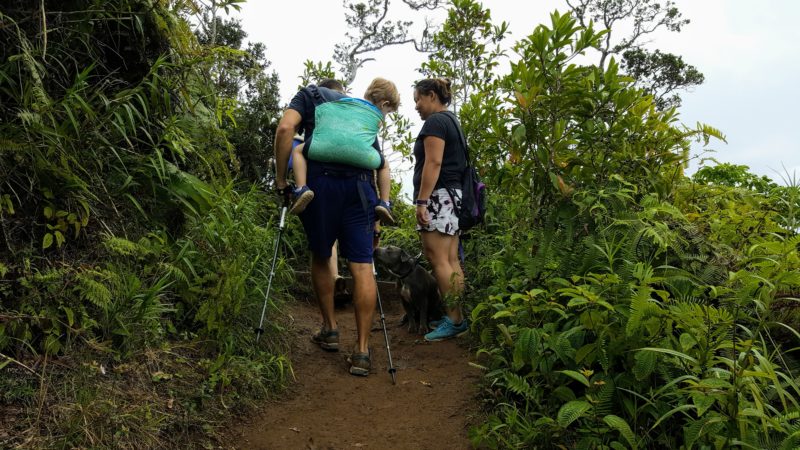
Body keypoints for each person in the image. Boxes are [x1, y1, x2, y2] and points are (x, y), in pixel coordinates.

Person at [275, 78, 393, 376]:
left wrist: (281, 181)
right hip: (361, 191)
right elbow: (376, 161)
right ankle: (363, 351)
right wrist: (379, 214)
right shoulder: (360, 111)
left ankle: (329, 329)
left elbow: (286, 129)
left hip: (321, 187)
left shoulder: (309, 96)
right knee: (363, 267)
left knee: (321, 254)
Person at [288, 78, 400, 226]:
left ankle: (302, 189)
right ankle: (385, 203)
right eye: (389, 111)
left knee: (297, 151)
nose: (386, 114)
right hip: (358, 156)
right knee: (384, 164)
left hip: (324, 149)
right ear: (384, 104)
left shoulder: (347, 103)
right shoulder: (376, 116)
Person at [411, 78, 469, 342]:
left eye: (418, 100)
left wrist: (422, 201)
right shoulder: (452, 121)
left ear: (431, 96)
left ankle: (454, 320)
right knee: (451, 260)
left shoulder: (435, 122)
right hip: (452, 195)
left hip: (438, 196)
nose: (417, 106)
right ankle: (456, 316)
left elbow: (433, 163)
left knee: (440, 259)